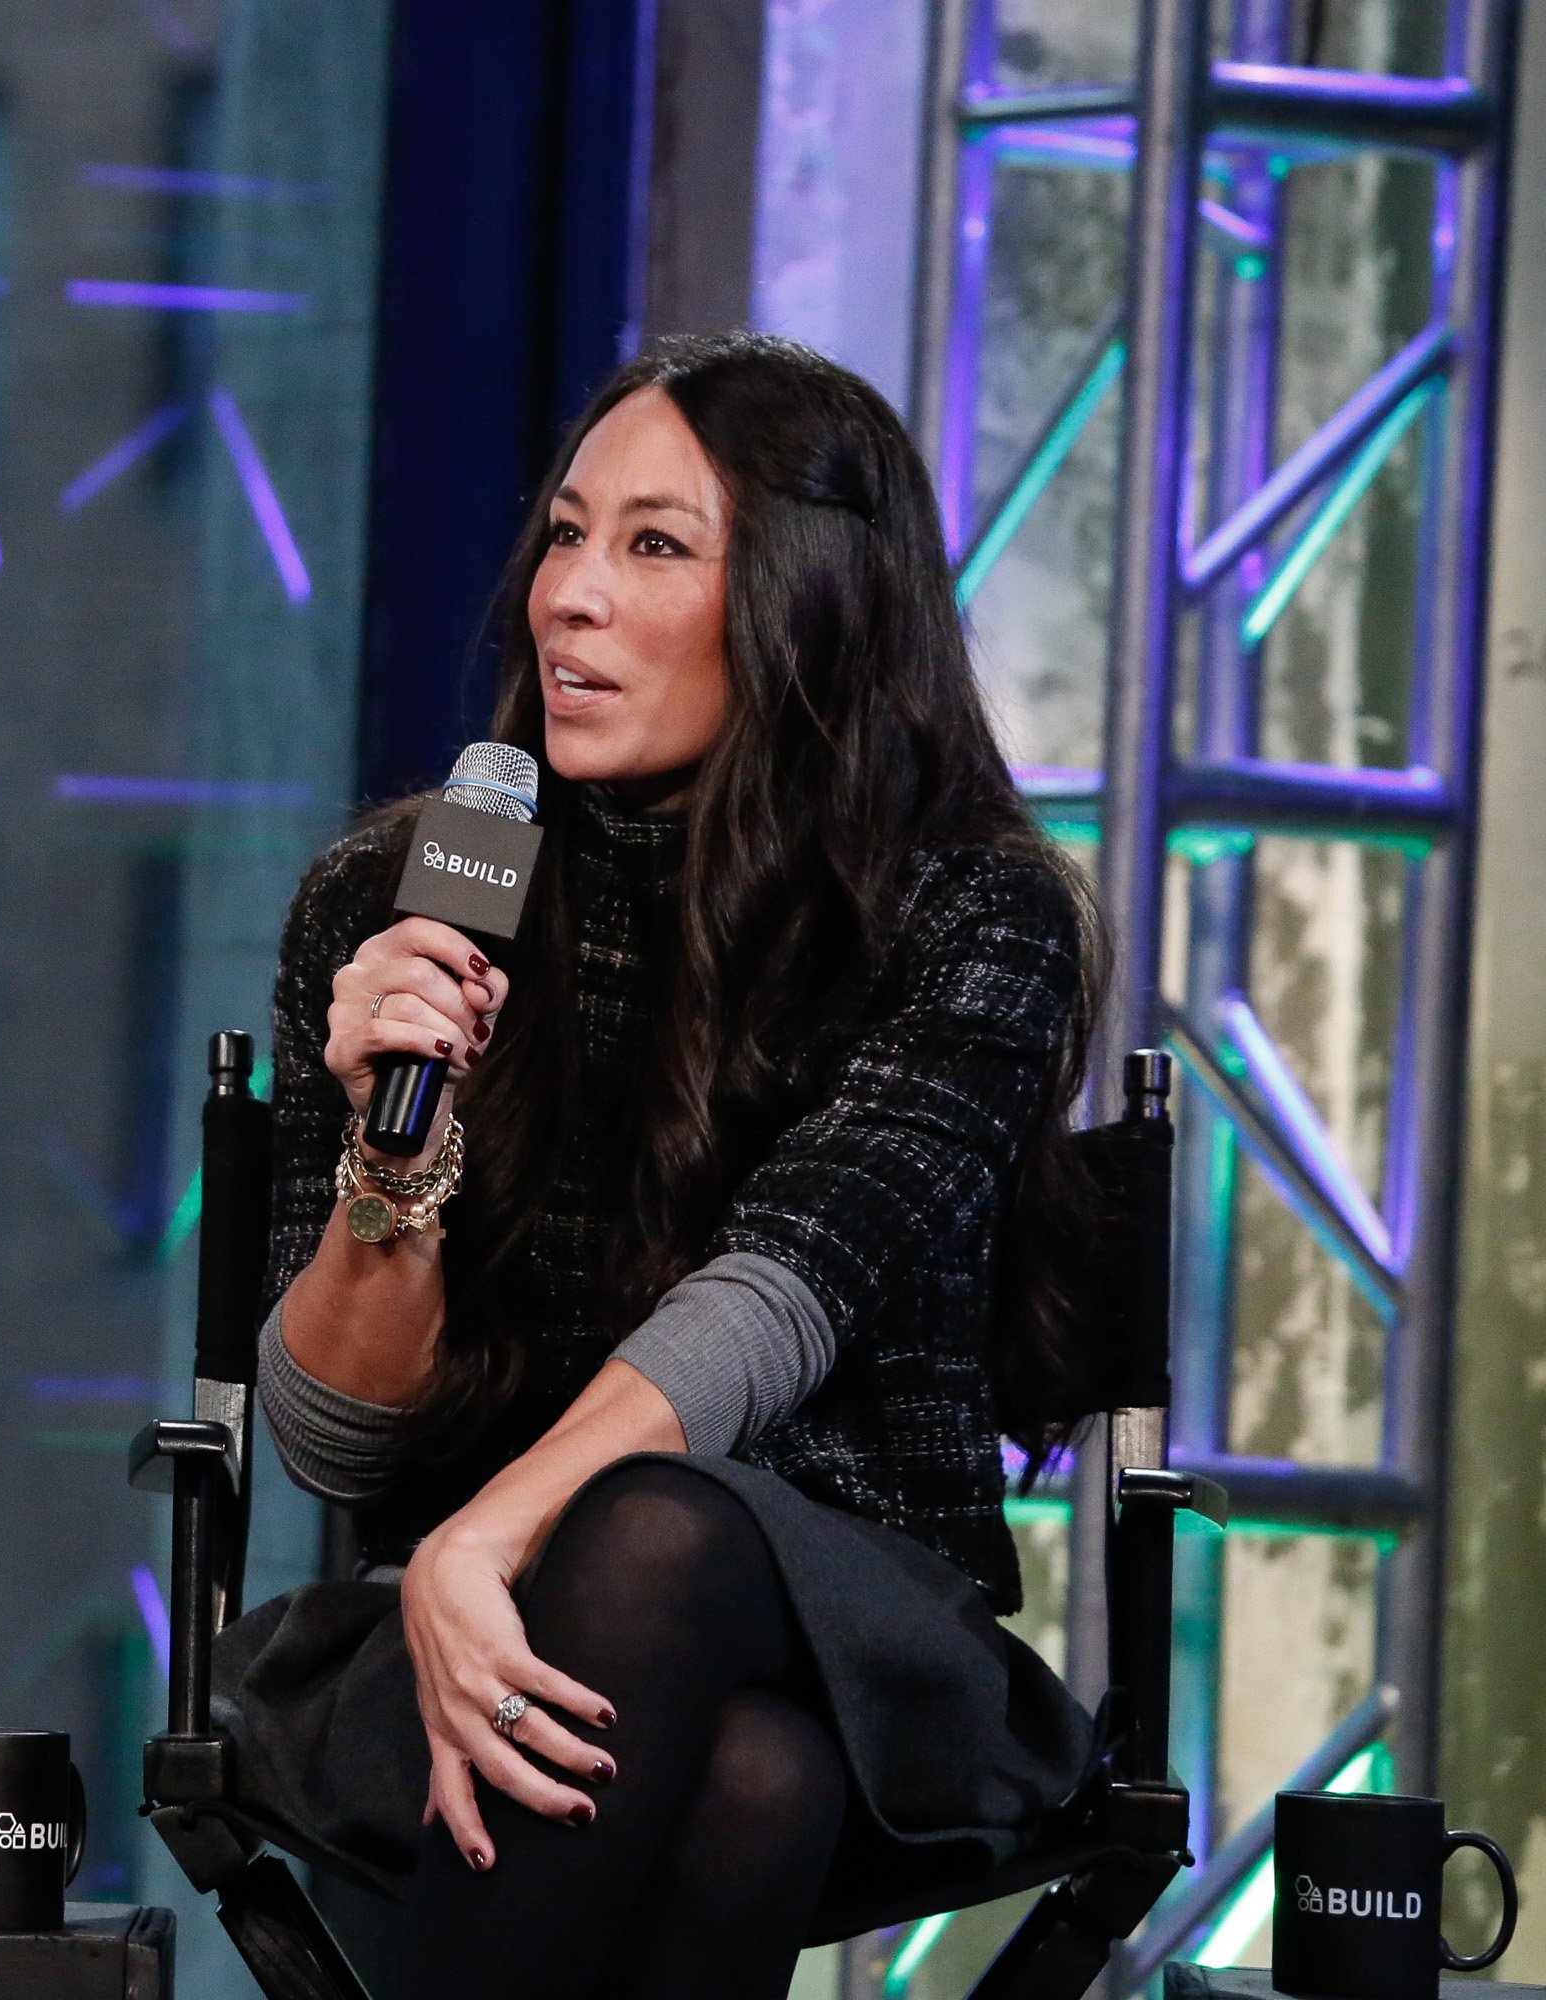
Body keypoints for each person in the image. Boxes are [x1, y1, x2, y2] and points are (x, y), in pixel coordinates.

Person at [225, 332, 1103, 1998]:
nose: (569, 597)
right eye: (565, 535)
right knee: (741, 1784)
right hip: (453, 1630)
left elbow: (782, 1300)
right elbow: (335, 1436)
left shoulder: (967, 913)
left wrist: (496, 1531)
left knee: (659, 1533)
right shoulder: (394, 896)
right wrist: (389, 1159)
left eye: (654, 546)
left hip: (848, 1623)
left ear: (809, 602)